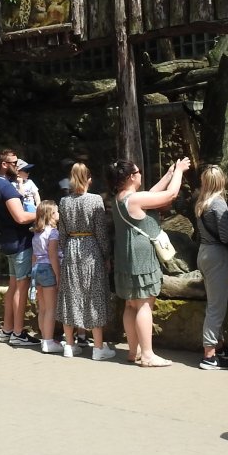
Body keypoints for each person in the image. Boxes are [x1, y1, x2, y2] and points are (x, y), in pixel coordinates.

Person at [110, 155, 191, 368]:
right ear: (129, 177)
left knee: (130, 303)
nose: (140, 175)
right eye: (137, 172)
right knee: (145, 302)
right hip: (141, 255)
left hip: (125, 255)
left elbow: (152, 194)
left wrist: (169, 174)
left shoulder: (120, 198)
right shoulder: (134, 199)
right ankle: (147, 355)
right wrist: (181, 171)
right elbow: (170, 195)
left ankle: (133, 351)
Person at [58, 163, 116, 360]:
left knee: (70, 294)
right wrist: (106, 255)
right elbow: (100, 231)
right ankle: (98, 348)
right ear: (89, 179)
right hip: (91, 248)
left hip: (71, 249)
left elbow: (62, 233)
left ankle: (69, 345)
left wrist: (66, 250)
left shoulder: (64, 202)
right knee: (95, 294)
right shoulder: (96, 200)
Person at [193, 164, 228, 370]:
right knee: (216, 306)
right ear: (221, 181)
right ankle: (209, 355)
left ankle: (218, 347)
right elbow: (224, 236)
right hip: (216, 256)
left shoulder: (201, 202)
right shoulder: (219, 204)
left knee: (214, 303)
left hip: (204, 253)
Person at [0, 147, 37, 348]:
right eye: (14, 163)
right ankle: (18, 333)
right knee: (21, 287)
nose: (18, 166)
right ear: (4, 165)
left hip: (9, 242)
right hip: (19, 243)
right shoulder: (7, 188)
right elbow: (21, 217)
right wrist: (44, 213)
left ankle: (7, 331)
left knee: (13, 286)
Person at [30, 202, 65, 354]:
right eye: (57, 212)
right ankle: (49, 342)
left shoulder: (37, 233)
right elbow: (52, 256)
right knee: (51, 308)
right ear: (51, 215)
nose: (59, 214)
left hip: (37, 269)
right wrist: (58, 275)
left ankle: (45, 339)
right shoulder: (53, 233)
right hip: (48, 269)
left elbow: (34, 255)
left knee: (43, 308)